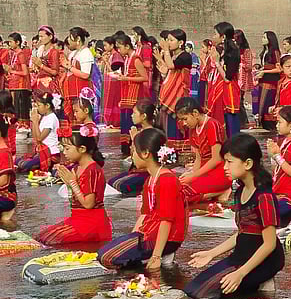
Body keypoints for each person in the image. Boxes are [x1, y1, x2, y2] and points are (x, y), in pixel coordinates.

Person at [186, 133, 285, 299]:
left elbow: (269, 244)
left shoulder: (264, 197)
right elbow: (243, 232)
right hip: (240, 255)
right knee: (193, 290)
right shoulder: (240, 191)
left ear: (247, 163)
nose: (225, 167)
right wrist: (211, 253)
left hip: (265, 260)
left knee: (208, 296)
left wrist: (240, 274)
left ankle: (262, 282)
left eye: (229, 162)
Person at [99, 128, 187, 272]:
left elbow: (167, 220)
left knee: (108, 257)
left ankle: (161, 255)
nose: (132, 155)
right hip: (149, 232)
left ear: (145, 153)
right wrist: (132, 237)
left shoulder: (167, 179)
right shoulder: (151, 179)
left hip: (168, 238)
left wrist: (156, 256)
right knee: (103, 255)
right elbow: (145, 213)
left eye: (134, 151)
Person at [36, 124, 113, 245]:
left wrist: (72, 183)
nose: (64, 153)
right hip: (78, 220)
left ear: (82, 149)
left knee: (49, 241)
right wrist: (69, 183)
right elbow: (74, 201)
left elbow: (88, 204)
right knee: (41, 237)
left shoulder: (92, 169)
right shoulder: (77, 168)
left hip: (92, 224)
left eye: (67, 148)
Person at [176, 97, 231, 205]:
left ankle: (219, 191)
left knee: (182, 195)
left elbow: (216, 159)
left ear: (195, 113)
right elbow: (198, 158)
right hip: (204, 172)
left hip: (220, 172)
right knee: (175, 188)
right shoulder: (193, 129)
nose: (184, 123)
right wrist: (191, 174)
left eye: (185, 119)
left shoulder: (212, 125)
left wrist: (194, 176)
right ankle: (213, 192)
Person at [108, 100, 159, 197]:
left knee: (121, 185)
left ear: (143, 116)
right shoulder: (139, 131)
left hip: (146, 171)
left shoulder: (151, 134)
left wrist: (135, 140)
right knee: (111, 182)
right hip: (136, 170)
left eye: (134, 113)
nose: (131, 115)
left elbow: (144, 159)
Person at [112, 33, 150, 152]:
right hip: (126, 95)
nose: (119, 50)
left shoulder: (136, 58)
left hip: (134, 96)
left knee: (132, 122)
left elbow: (145, 77)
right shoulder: (127, 58)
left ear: (127, 46)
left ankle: (134, 147)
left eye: (120, 47)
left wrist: (126, 78)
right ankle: (126, 148)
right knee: (125, 123)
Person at [156, 29, 192, 149]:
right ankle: (170, 152)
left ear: (181, 42)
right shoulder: (174, 56)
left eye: (171, 40)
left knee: (177, 126)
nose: (169, 43)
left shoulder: (185, 56)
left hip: (178, 96)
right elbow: (169, 73)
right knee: (168, 127)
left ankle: (180, 152)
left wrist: (165, 50)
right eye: (168, 40)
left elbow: (171, 66)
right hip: (170, 95)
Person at [211, 22, 245, 137]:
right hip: (222, 90)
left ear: (223, 36)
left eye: (215, 34)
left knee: (231, 121)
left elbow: (227, 78)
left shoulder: (233, 52)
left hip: (229, 90)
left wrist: (216, 62)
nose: (213, 36)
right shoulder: (224, 50)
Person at [17, 93, 60, 175]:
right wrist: (33, 121)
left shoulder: (51, 118)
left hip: (50, 152)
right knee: (24, 163)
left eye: (39, 105)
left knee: (25, 165)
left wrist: (36, 121)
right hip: (42, 151)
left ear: (47, 105)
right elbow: (35, 136)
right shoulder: (45, 117)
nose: (37, 108)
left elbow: (40, 138)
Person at [254, 30, 281, 128]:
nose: (262, 39)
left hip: (271, 81)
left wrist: (264, 72)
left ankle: (270, 125)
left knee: (267, 102)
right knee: (261, 103)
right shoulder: (264, 52)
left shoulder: (275, 52)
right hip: (263, 80)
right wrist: (260, 70)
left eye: (264, 37)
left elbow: (279, 69)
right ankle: (261, 123)